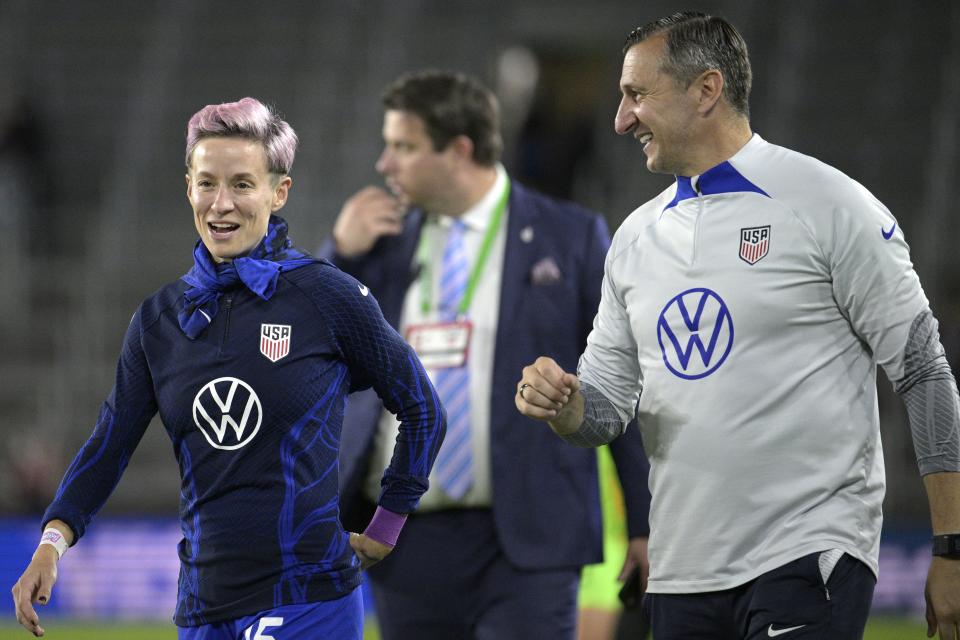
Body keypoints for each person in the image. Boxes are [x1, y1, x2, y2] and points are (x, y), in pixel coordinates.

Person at [516, 11, 960, 640]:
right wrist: (563, 403)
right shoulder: (635, 240)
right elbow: (605, 413)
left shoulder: (829, 205)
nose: (620, 119)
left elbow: (924, 371)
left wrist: (953, 546)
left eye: (637, 94)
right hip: (680, 575)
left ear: (707, 90)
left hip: (807, 557)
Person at [10, 97, 446, 639]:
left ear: (277, 191)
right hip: (202, 610)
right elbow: (108, 445)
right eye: (207, 183)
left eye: (242, 184)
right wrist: (52, 542)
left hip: (308, 601)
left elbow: (422, 407)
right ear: (187, 186)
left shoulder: (326, 296)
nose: (222, 204)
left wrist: (388, 522)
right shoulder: (158, 322)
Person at [319, 70, 651, 639]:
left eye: (403, 146)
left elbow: (620, 386)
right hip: (402, 538)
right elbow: (310, 351)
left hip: (528, 539)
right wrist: (339, 256)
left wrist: (645, 523)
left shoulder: (571, 238)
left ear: (459, 150)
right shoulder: (379, 242)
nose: (385, 163)